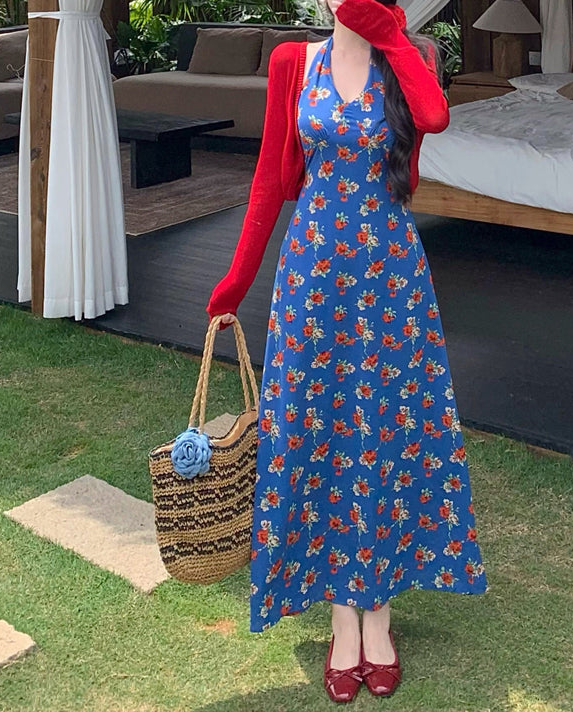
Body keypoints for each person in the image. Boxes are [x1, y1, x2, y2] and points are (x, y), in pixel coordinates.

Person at [206, 0, 488, 702]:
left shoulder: (413, 59)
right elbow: (271, 179)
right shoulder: (293, 62)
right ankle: (341, 617)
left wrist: (389, 32)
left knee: (389, 433)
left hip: (391, 279)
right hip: (314, 277)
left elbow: (433, 119)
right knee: (319, 434)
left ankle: (379, 615)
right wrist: (237, 279)